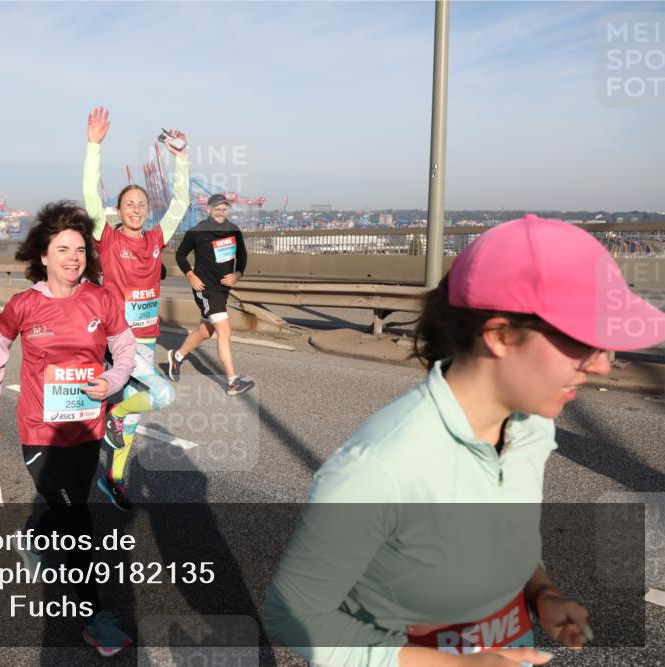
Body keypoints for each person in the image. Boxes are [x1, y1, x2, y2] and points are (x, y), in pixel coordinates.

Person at [263, 215, 665, 667]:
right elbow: (294, 616)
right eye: (582, 340)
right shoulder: (378, 467)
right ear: (499, 336)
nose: (603, 365)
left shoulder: (532, 425)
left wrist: (540, 593)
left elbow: (497, 539)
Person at [0, 201, 136, 657]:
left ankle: (34, 539)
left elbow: (125, 351)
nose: (73, 257)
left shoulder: (102, 299)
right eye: (62, 248)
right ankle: (93, 618)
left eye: (80, 249)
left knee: (72, 503)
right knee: (78, 519)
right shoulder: (24, 305)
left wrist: (110, 381)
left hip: (86, 429)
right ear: (42, 256)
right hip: (39, 432)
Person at [82, 106, 189, 510]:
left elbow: (180, 202)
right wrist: (94, 146)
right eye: (129, 203)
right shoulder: (107, 239)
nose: (136, 208)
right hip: (119, 340)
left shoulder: (156, 238)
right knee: (162, 394)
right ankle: (109, 416)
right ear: (119, 209)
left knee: (132, 420)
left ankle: (114, 479)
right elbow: (91, 196)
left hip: (149, 339)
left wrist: (181, 158)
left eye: (141, 204)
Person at [166, 193, 253, 395]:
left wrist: (238, 274)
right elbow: (180, 255)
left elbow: (242, 254)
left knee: (206, 331)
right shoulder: (197, 232)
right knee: (224, 330)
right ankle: (232, 381)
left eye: (224, 208)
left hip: (223, 290)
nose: (221, 212)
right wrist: (190, 275)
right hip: (204, 289)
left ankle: (176, 357)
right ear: (208, 209)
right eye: (217, 208)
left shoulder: (233, 230)